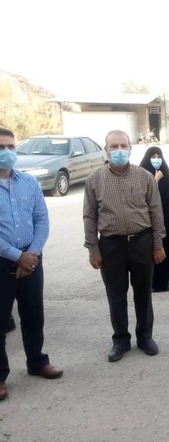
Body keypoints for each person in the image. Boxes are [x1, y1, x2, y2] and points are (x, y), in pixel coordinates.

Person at [83, 130, 166, 362]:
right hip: (111, 246)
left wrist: (158, 244)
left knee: (143, 294)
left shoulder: (145, 177)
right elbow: (89, 216)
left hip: (142, 242)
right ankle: (120, 340)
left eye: (123, 145)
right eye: (114, 146)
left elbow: (156, 211)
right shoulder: (94, 179)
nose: (119, 150)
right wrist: (93, 248)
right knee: (116, 296)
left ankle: (145, 337)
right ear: (106, 150)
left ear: (130, 148)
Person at [0, 127, 63, 402]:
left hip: (32, 259)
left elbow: (42, 220)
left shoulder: (29, 182)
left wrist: (33, 253)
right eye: (1, 147)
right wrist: (18, 256)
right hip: (3, 261)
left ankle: (37, 362)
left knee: (34, 315)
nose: (7, 152)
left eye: (11, 147)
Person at [139, 146, 169, 292]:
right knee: (153, 247)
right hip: (148, 217)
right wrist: (155, 181)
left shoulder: (165, 172)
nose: (156, 160)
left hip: (167, 215)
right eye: (153, 157)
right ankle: (152, 282)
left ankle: (165, 280)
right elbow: (143, 197)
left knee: (167, 246)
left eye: (159, 157)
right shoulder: (141, 174)